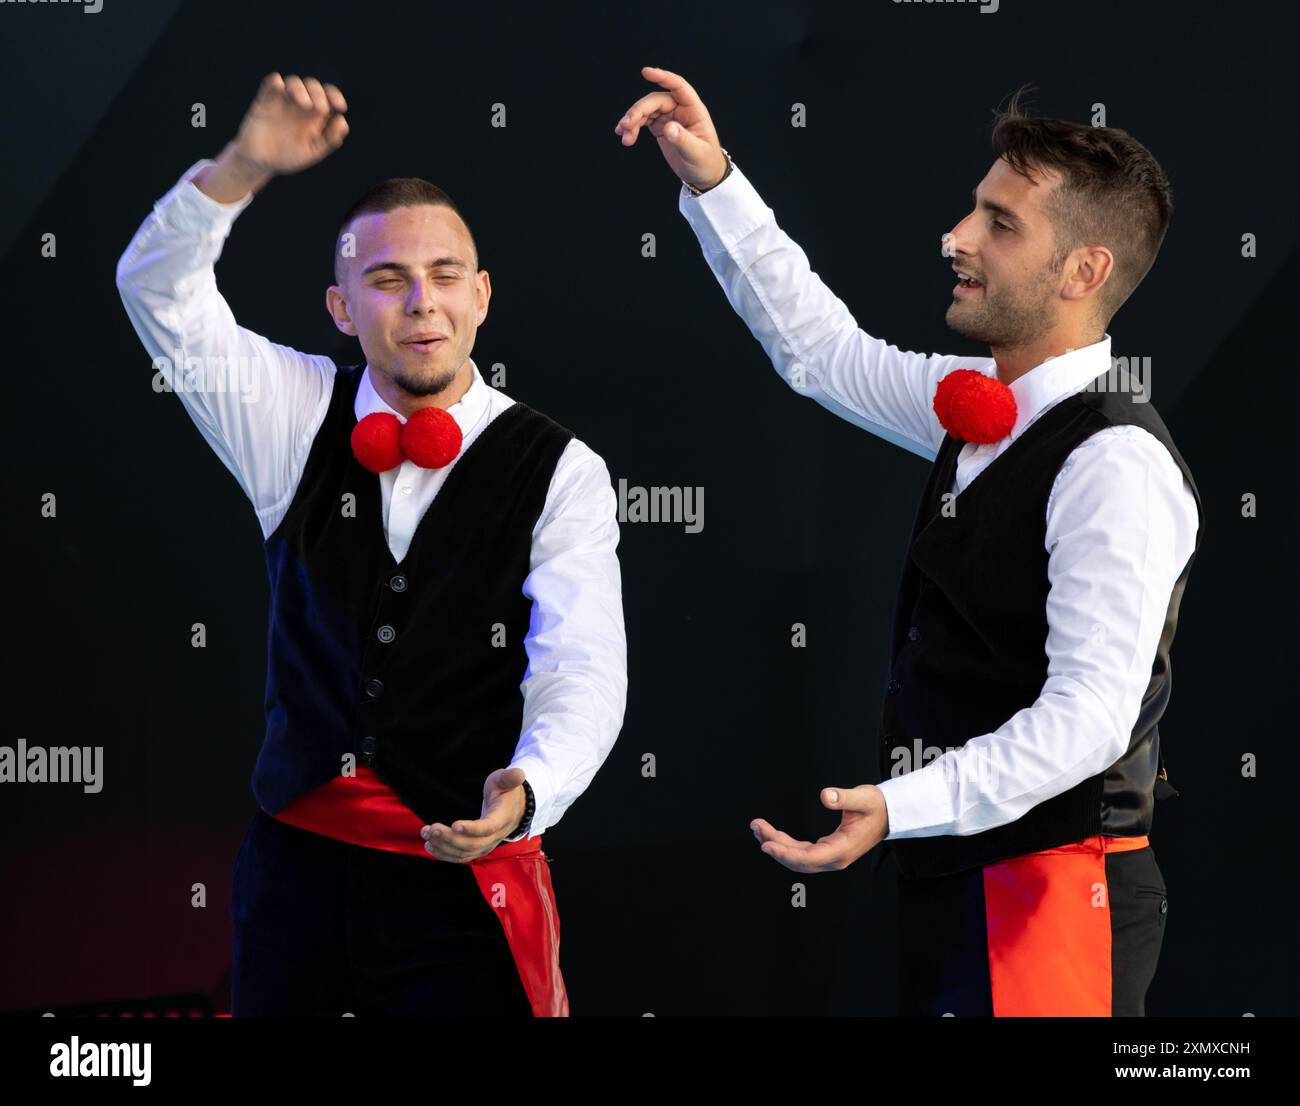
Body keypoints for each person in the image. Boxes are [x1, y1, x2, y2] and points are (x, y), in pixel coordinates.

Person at [615, 67, 1201, 1016]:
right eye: (975, 209)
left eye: (1000, 225)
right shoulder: (979, 408)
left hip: (1054, 893)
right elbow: (822, 355)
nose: (957, 239)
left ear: (1085, 271)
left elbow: (1092, 718)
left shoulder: (1115, 465)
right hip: (959, 875)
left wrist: (902, 803)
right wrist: (713, 181)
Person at [116, 72, 627, 1016]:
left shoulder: (563, 470)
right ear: (342, 307)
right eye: (387, 280)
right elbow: (159, 291)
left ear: (480, 298)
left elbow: (582, 668)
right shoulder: (289, 411)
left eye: (441, 280)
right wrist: (243, 169)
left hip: (459, 889)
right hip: (295, 883)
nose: (419, 303)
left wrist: (532, 785)